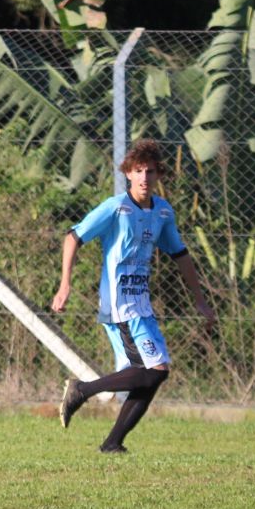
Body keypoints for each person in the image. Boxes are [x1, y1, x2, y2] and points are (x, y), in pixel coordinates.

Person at [51, 139, 215, 453]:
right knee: (154, 371)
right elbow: (73, 237)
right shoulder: (116, 208)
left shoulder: (163, 212)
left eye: (150, 172)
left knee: (153, 374)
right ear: (127, 174)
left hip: (141, 303)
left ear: (158, 176)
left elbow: (180, 254)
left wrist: (200, 300)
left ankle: (112, 442)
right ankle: (82, 391)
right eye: (138, 171)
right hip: (120, 304)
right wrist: (65, 284)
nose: (144, 178)